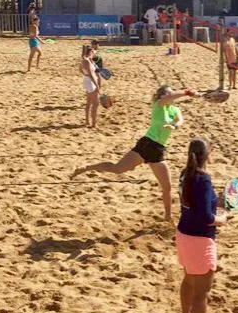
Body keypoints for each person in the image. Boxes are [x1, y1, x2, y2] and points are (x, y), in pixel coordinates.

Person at [70, 86, 196, 220]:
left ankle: (167, 217)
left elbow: (180, 120)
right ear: (161, 96)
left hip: (159, 150)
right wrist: (186, 92)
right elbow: (169, 97)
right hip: (147, 144)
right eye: (168, 93)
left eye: (172, 92)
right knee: (117, 168)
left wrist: (175, 126)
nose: (171, 95)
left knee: (167, 187)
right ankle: (86, 168)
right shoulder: (158, 105)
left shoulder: (175, 109)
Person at [176, 137, 228, 313]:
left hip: (183, 235)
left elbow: (196, 203)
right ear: (210, 154)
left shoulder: (185, 174)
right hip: (200, 239)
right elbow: (207, 217)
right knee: (201, 293)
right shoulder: (203, 179)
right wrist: (223, 219)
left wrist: (219, 200)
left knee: (188, 279)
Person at [81, 46, 101, 128]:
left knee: (89, 102)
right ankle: (93, 123)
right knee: (95, 103)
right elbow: (91, 75)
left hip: (87, 80)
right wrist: (97, 86)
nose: (95, 54)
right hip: (90, 82)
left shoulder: (87, 60)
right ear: (90, 52)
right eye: (93, 53)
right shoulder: (87, 61)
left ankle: (87, 121)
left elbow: (80, 70)